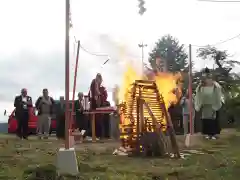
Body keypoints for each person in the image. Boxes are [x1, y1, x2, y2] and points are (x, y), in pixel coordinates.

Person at [194, 68, 223, 140]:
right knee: (206, 120)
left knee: (213, 120)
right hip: (205, 104)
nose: (206, 76)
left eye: (207, 74)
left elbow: (218, 88)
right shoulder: (202, 83)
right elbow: (197, 91)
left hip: (212, 104)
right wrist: (200, 86)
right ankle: (208, 134)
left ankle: (213, 134)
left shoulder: (214, 83)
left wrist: (214, 85)